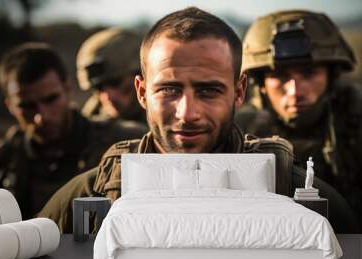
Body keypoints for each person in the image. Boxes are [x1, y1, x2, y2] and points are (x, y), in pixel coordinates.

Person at [38, 7, 360, 233]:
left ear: (238, 93)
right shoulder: (92, 195)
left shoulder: (296, 194)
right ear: (141, 92)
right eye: (168, 90)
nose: (187, 113)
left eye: (208, 91)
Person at [0, 42, 146, 219]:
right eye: (26, 106)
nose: (41, 117)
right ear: (10, 106)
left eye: (50, 99)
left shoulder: (125, 144)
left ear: (68, 89)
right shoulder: (2, 160)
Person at [236, 10, 362, 228]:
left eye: (309, 74)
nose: (295, 90)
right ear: (261, 84)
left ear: (331, 76)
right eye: (280, 76)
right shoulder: (240, 133)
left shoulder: (356, 120)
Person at [77, 28, 147, 124]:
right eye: (99, 88)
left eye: (115, 82)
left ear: (141, 76)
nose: (109, 96)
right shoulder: (90, 123)